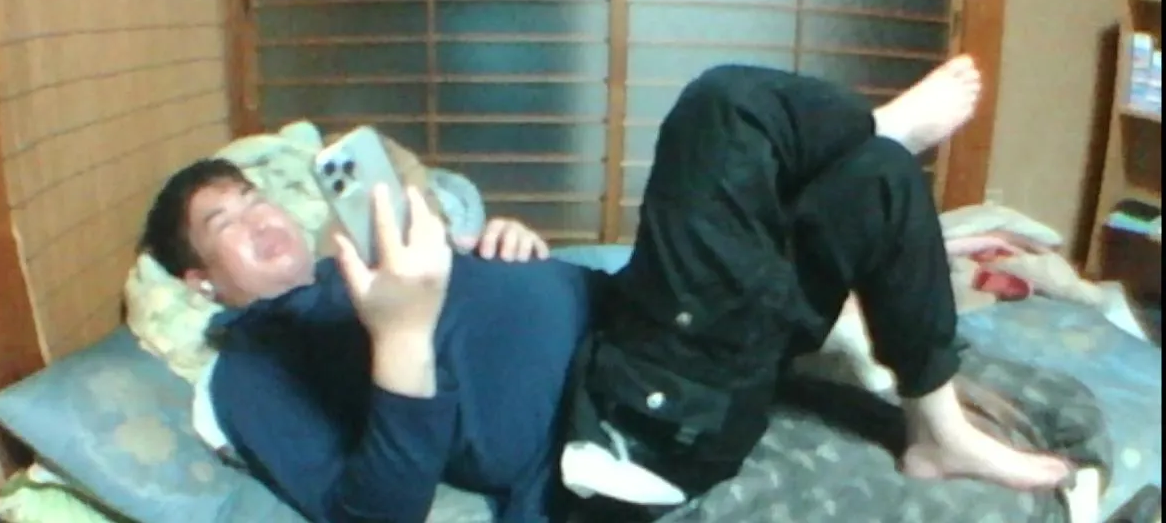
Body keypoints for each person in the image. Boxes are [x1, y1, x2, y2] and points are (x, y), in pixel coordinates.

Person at [139, 56, 1072, 523]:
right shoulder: (250, 367)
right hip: (620, 434)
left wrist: (513, 258)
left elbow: (513, 313)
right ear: (200, 281)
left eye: (257, 198)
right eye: (225, 223)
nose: (259, 218)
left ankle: (935, 427)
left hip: (643, 329)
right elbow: (371, 513)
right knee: (726, 106)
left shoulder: (370, 259)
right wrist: (404, 337)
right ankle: (868, 132)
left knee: (876, 181)